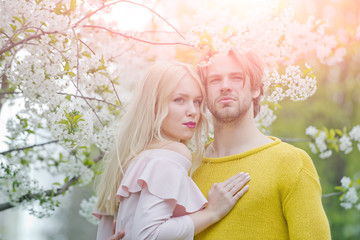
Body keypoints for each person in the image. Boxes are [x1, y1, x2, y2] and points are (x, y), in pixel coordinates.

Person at [94, 62, 251, 240]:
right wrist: (212, 213)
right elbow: (148, 235)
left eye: (198, 101)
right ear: (153, 105)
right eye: (179, 100)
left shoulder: (128, 159)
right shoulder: (171, 154)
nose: (193, 111)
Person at [191, 49, 331, 239]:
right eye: (215, 80)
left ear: (256, 88)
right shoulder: (188, 167)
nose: (225, 86)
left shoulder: (291, 162)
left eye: (236, 77)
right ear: (204, 91)